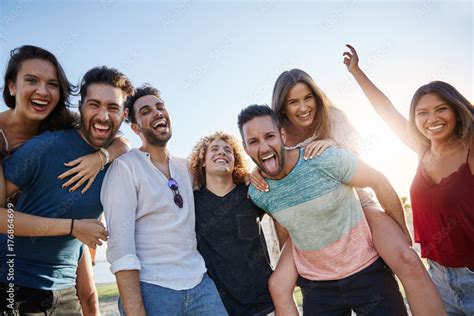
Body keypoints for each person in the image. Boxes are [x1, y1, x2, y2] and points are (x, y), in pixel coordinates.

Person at [251, 68, 445, 315]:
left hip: (356, 200)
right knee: (278, 283)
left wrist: (333, 144)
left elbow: (361, 165)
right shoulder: (279, 134)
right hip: (306, 221)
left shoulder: (334, 118)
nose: (303, 107)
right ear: (282, 107)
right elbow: (269, 164)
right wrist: (257, 170)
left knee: (408, 260)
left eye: (308, 97)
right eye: (293, 101)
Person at [239, 104, 408, 315]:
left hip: (368, 273)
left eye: (269, 136)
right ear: (245, 148)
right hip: (318, 288)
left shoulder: (324, 158)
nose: (263, 147)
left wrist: (403, 232)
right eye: (253, 141)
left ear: (282, 134)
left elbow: (378, 181)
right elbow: (282, 224)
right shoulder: (259, 192)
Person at [345, 44, 473, 315]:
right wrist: (357, 72)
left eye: (441, 109)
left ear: (456, 110)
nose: (432, 119)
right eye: (422, 113)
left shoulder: (470, 148)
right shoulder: (422, 150)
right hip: (437, 277)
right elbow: (386, 110)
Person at [0, 63, 132, 314]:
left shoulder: (120, 164)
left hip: (65, 293)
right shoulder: (44, 147)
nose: (103, 116)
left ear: (124, 115)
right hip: (13, 285)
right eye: (94, 104)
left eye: (113, 107)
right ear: (80, 107)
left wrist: (103, 156)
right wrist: (73, 227)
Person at [102, 85, 227, 316]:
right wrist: (135, 310)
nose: (157, 112)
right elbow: (121, 247)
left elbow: (223, 183)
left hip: (200, 284)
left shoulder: (187, 168)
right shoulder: (124, 168)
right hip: (153, 289)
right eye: (146, 110)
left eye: (160, 107)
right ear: (135, 127)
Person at [189, 131, 274, 316]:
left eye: (228, 150)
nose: (222, 152)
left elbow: (284, 215)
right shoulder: (192, 202)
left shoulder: (251, 192)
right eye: (214, 149)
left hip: (264, 303)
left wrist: (255, 172)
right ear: (203, 161)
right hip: (217, 307)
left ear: (235, 162)